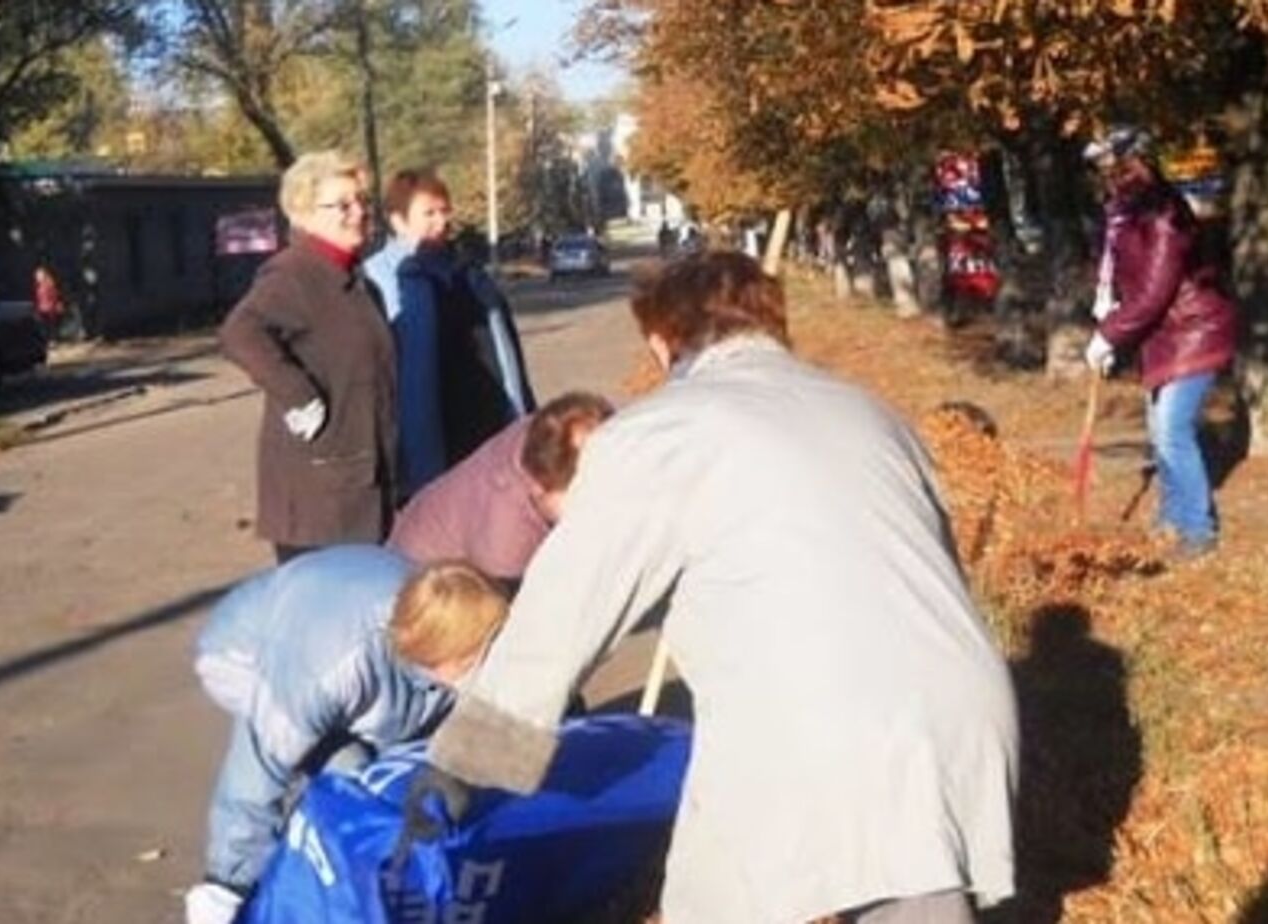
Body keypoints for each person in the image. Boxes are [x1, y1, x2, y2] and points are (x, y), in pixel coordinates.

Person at [420, 252, 1018, 923]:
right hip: (965, 707)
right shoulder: (870, 412)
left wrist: (461, 772)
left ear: (659, 340)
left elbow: (561, 618)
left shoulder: (659, 432)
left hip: (827, 727)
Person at [182, 548, 509, 924]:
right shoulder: (329, 671)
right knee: (355, 780)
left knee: (405, 776)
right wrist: (225, 885)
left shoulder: (442, 627)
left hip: (368, 661)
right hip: (245, 655)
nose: (489, 666)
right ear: (440, 653)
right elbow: (256, 770)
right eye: (475, 658)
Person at [220, 150, 397, 563]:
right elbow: (240, 332)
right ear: (303, 213)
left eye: (361, 202)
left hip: (364, 485)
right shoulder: (294, 274)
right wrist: (299, 395)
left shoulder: (357, 282)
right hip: (321, 500)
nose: (358, 212)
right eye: (343, 204)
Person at [1082, 126, 1239, 561]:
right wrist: (1105, 298)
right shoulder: (1123, 209)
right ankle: (1172, 518)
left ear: (1129, 161)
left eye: (1106, 164)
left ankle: (1196, 530)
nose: (1101, 174)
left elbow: (1156, 287)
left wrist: (1110, 334)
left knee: (1171, 430)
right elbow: (1116, 263)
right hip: (1163, 333)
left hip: (1194, 329)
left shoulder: (1161, 210)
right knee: (1160, 430)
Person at [362, 169, 535, 502]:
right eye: (428, 213)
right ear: (398, 221)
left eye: (444, 211)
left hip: (484, 424)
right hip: (425, 434)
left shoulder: (467, 271)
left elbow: (502, 348)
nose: (440, 221)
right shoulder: (379, 278)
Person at [388, 390, 615, 585]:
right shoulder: (505, 543)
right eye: (580, 497)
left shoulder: (545, 434)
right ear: (538, 487)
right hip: (430, 593)